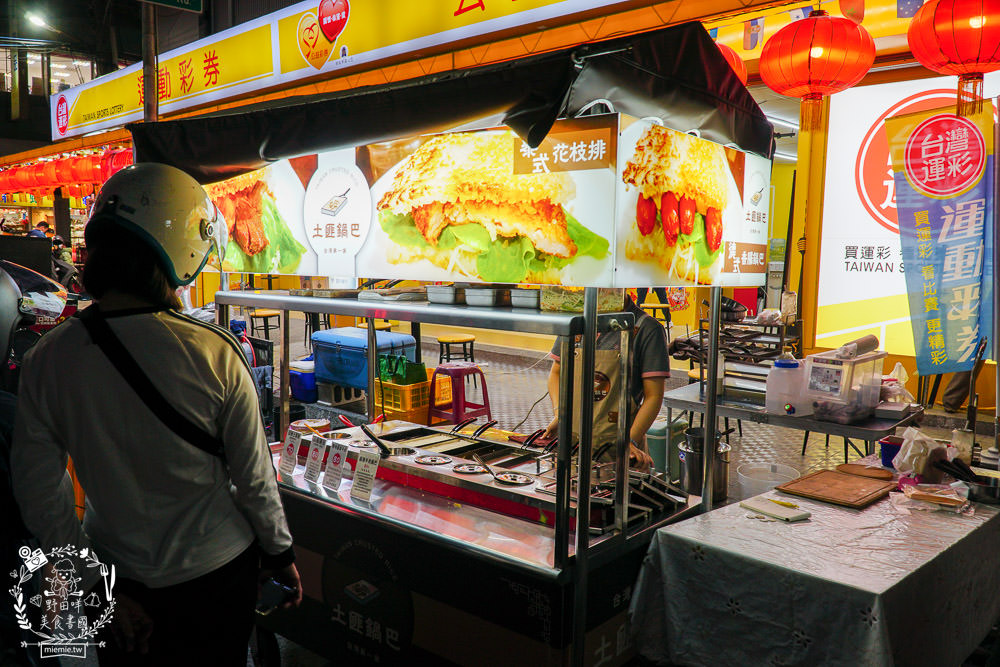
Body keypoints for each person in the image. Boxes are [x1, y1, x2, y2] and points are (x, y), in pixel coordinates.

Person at [11, 163, 301, 666]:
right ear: (186, 252)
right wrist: (280, 554)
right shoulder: (215, 353)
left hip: (119, 579)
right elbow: (254, 480)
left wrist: (91, 582)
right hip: (216, 578)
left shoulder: (49, 358)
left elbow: (38, 491)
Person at [544, 294, 670, 470]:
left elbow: (654, 396)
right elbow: (556, 373)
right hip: (573, 447)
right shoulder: (577, 321)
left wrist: (630, 440)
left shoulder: (647, 329)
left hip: (619, 451)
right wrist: (560, 414)